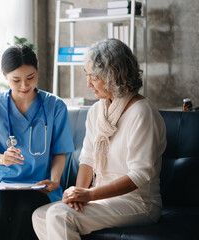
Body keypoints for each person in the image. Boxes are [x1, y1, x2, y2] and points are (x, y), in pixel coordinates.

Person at [32, 38, 167, 240]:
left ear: (112, 75)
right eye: (87, 76)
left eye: (93, 77)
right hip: (102, 197)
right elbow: (87, 160)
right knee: (40, 215)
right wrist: (78, 194)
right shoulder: (97, 110)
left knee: (59, 216)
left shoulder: (142, 112)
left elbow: (140, 175)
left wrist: (90, 195)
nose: (88, 84)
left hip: (138, 202)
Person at [0, 44, 75, 240]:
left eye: (30, 78)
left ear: (38, 69)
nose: (24, 86)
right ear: (4, 75)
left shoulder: (55, 106)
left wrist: (55, 180)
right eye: (16, 80)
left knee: (27, 208)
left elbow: (60, 152)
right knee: (1, 205)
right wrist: (2, 158)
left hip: (38, 183)